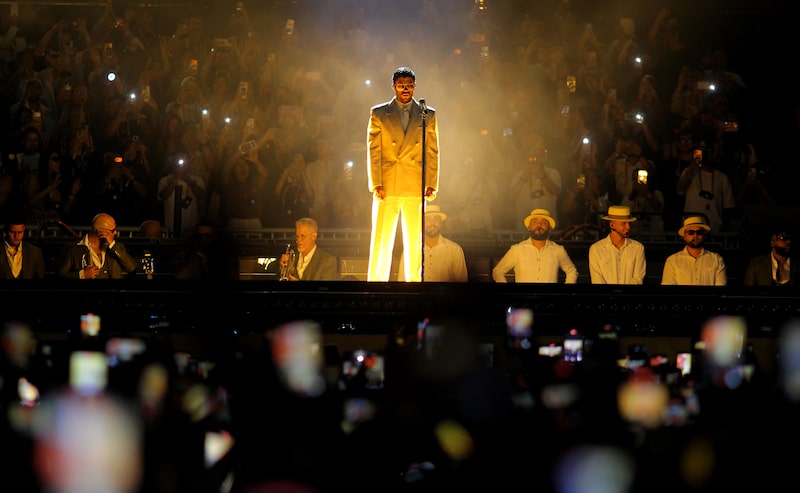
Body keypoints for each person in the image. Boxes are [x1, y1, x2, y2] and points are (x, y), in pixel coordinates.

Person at [366, 66, 439, 282]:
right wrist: (376, 182)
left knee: (415, 240)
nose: (405, 89)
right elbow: (374, 151)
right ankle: (376, 283)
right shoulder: (379, 113)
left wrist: (432, 182)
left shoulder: (427, 114)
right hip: (387, 183)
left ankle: (414, 284)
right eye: (401, 85)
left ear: (415, 86)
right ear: (393, 86)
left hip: (414, 182)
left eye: (408, 85)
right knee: (382, 237)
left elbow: (432, 150)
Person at [492, 208, 578, 283]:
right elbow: (498, 271)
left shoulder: (558, 250)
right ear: (529, 227)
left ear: (549, 228)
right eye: (535, 222)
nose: (539, 225)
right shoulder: (517, 249)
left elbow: (572, 271)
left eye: (543, 222)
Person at [56, 212, 138, 279]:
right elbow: (59, 277)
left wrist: (112, 245)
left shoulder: (117, 247)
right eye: (112, 230)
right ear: (100, 231)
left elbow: (132, 267)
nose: (116, 233)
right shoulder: (74, 249)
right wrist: (81, 275)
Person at [398, 204, 468, 282]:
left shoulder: (454, 250)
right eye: (427, 219)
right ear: (421, 222)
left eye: (436, 218)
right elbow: (402, 280)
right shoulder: (410, 250)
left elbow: (462, 284)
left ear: (440, 222)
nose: (432, 222)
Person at [661, 215, 727, 286]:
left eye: (699, 232)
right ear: (684, 236)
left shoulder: (717, 259)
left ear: (704, 235)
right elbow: (668, 290)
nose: (695, 235)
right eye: (691, 232)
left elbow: (720, 289)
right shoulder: (672, 260)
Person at [588, 205, 646, 284]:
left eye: (629, 224)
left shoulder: (638, 248)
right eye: (624, 223)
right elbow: (597, 280)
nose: (628, 227)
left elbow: (638, 278)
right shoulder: (596, 249)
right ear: (612, 225)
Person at [0, 212, 46, 279]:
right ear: (6, 231)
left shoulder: (35, 252)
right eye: (12, 232)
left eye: (20, 232)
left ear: (24, 230)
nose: (16, 236)